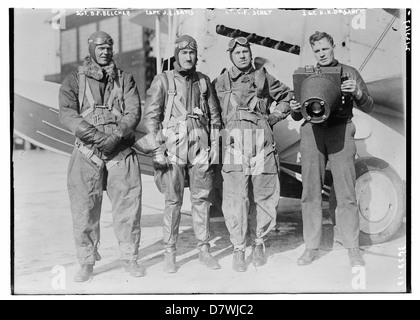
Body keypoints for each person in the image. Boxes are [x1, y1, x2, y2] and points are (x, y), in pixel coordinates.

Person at [59, 31, 144, 282]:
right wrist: (98, 139)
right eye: (100, 47)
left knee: (128, 208)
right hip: (87, 152)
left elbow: (133, 112)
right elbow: (67, 114)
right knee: (84, 209)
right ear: (91, 49)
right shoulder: (73, 80)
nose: (105, 51)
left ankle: (130, 258)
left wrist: (115, 136)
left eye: (108, 47)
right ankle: (86, 263)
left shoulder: (125, 80)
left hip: (120, 152)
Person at [290, 31, 374, 267]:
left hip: (341, 130)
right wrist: (295, 107)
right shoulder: (306, 75)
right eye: (317, 51)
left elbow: (369, 105)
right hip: (312, 133)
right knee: (310, 193)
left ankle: (352, 247)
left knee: (346, 192)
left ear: (333, 47)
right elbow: (298, 114)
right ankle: (311, 247)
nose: (321, 54)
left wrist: (356, 91)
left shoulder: (349, 72)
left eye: (325, 49)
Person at [140, 35, 222, 273]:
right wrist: (157, 149)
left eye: (192, 53)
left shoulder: (204, 81)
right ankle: (170, 253)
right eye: (184, 52)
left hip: (200, 147)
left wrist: (214, 148)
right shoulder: (162, 81)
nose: (188, 57)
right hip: (172, 148)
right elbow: (151, 117)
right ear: (177, 54)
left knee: (201, 200)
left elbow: (215, 118)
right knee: (172, 201)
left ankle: (204, 250)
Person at [213, 37, 292, 272]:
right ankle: (239, 248)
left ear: (250, 53)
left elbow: (287, 96)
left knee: (264, 195)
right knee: (235, 198)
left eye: (246, 51)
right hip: (235, 146)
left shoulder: (263, 77)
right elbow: (211, 111)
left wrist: (275, 116)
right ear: (231, 56)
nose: (242, 55)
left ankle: (259, 243)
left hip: (262, 145)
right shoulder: (220, 82)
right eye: (237, 52)